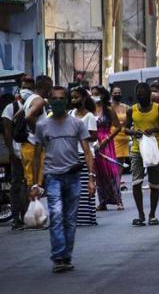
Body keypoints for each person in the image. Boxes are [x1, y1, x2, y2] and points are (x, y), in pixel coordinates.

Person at [31, 86, 96, 273]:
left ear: (66, 101)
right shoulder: (42, 125)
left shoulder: (77, 123)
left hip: (74, 177)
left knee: (70, 218)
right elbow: (36, 156)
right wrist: (35, 183)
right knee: (57, 215)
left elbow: (87, 151)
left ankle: (66, 255)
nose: (58, 101)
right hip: (52, 177)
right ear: (49, 101)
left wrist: (91, 178)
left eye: (61, 98)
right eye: (54, 99)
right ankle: (59, 256)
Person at [126, 83, 159, 226]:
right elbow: (126, 129)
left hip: (154, 149)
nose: (141, 96)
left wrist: (154, 129)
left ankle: (152, 214)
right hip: (136, 148)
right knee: (136, 182)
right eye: (139, 94)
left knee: (154, 184)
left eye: (144, 94)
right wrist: (134, 132)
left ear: (149, 95)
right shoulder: (131, 110)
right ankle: (141, 215)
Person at [2, 76, 34, 230]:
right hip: (17, 151)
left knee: (29, 184)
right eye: (24, 86)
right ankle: (16, 218)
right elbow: (7, 131)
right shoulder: (11, 108)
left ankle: (27, 216)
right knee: (17, 184)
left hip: (31, 151)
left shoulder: (35, 105)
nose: (26, 89)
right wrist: (12, 152)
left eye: (29, 86)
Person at [68, 86, 98, 226]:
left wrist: (80, 136)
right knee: (73, 188)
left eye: (77, 97)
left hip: (85, 155)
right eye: (72, 97)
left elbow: (94, 135)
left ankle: (87, 218)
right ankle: (75, 217)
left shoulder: (89, 116)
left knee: (86, 186)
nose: (74, 100)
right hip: (72, 155)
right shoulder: (70, 114)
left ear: (84, 98)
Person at [91, 86, 123, 211]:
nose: (95, 96)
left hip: (106, 141)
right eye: (92, 94)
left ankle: (118, 200)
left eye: (97, 93)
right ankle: (102, 201)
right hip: (94, 142)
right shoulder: (90, 110)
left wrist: (107, 139)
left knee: (111, 171)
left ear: (103, 95)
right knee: (98, 173)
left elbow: (118, 127)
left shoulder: (108, 110)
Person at [22, 75, 53, 189]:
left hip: (29, 145)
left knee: (31, 183)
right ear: (46, 87)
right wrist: (39, 134)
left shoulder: (30, 99)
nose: (50, 92)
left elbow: (17, 116)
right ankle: (32, 206)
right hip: (34, 147)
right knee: (34, 184)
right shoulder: (38, 100)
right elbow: (28, 117)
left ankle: (32, 206)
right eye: (50, 88)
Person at [110, 86, 130, 190]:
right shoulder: (109, 107)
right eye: (115, 93)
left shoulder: (126, 107)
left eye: (119, 93)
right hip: (113, 136)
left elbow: (129, 121)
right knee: (113, 162)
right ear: (111, 94)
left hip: (124, 137)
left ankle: (117, 183)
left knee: (120, 163)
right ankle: (113, 182)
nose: (117, 95)